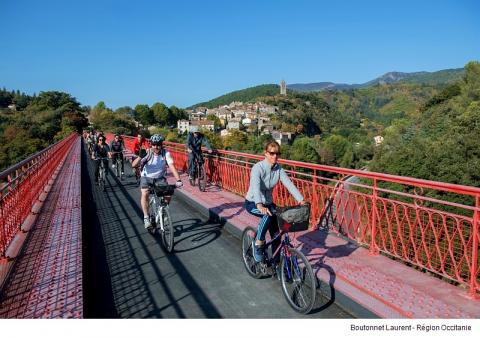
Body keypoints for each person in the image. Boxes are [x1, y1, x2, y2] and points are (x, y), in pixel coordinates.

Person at [244, 140, 306, 262]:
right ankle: (258, 243)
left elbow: (289, 184)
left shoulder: (279, 169)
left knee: (277, 234)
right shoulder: (258, 168)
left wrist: (301, 200)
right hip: (252, 203)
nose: (275, 156)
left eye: (277, 153)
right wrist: (259, 204)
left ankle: (276, 263)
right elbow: (255, 187)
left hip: (269, 203)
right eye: (272, 153)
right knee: (267, 214)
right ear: (265, 153)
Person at [132, 134, 183, 229]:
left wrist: (178, 180)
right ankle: (146, 218)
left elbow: (172, 166)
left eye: (158, 144)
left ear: (161, 144)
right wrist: (139, 157)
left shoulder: (165, 153)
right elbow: (133, 165)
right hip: (146, 178)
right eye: (154, 144)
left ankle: (163, 211)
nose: (156, 147)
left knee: (168, 193)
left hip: (160, 178)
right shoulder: (148, 153)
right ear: (151, 144)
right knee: (145, 193)